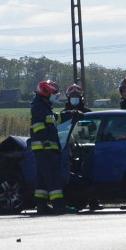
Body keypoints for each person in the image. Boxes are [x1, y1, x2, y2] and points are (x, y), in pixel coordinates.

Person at [59, 84, 102, 211]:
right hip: (69, 151)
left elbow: (96, 130)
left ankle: (93, 202)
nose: (74, 98)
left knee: (90, 175)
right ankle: (72, 201)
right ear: (68, 98)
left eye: (77, 96)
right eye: (72, 96)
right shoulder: (64, 114)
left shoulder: (87, 113)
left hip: (88, 149)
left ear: (81, 97)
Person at [30, 79, 68, 215]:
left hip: (43, 149)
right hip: (45, 148)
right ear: (46, 92)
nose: (55, 96)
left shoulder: (44, 106)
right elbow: (38, 127)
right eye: (53, 93)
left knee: (42, 178)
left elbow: (54, 120)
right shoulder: (39, 107)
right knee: (52, 178)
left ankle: (41, 206)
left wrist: (69, 114)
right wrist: (46, 142)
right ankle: (59, 206)